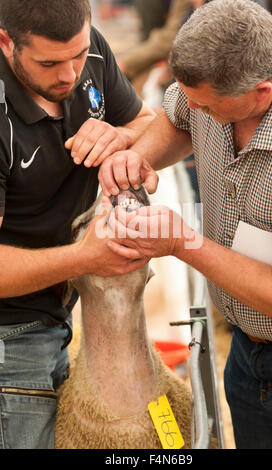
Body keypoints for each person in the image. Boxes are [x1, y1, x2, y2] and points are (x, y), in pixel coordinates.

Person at [97, 0, 272, 449]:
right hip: (247, 348)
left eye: (209, 107)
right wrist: (139, 155)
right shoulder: (239, 60)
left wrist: (183, 243)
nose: (195, 111)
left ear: (262, 93)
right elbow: (177, 115)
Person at [0, 0, 155, 449]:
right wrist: (84, 258)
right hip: (9, 335)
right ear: (6, 41)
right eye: (49, 63)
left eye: (79, 55)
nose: (70, 74)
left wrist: (122, 139)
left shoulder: (87, 50)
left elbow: (144, 122)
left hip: (60, 317)